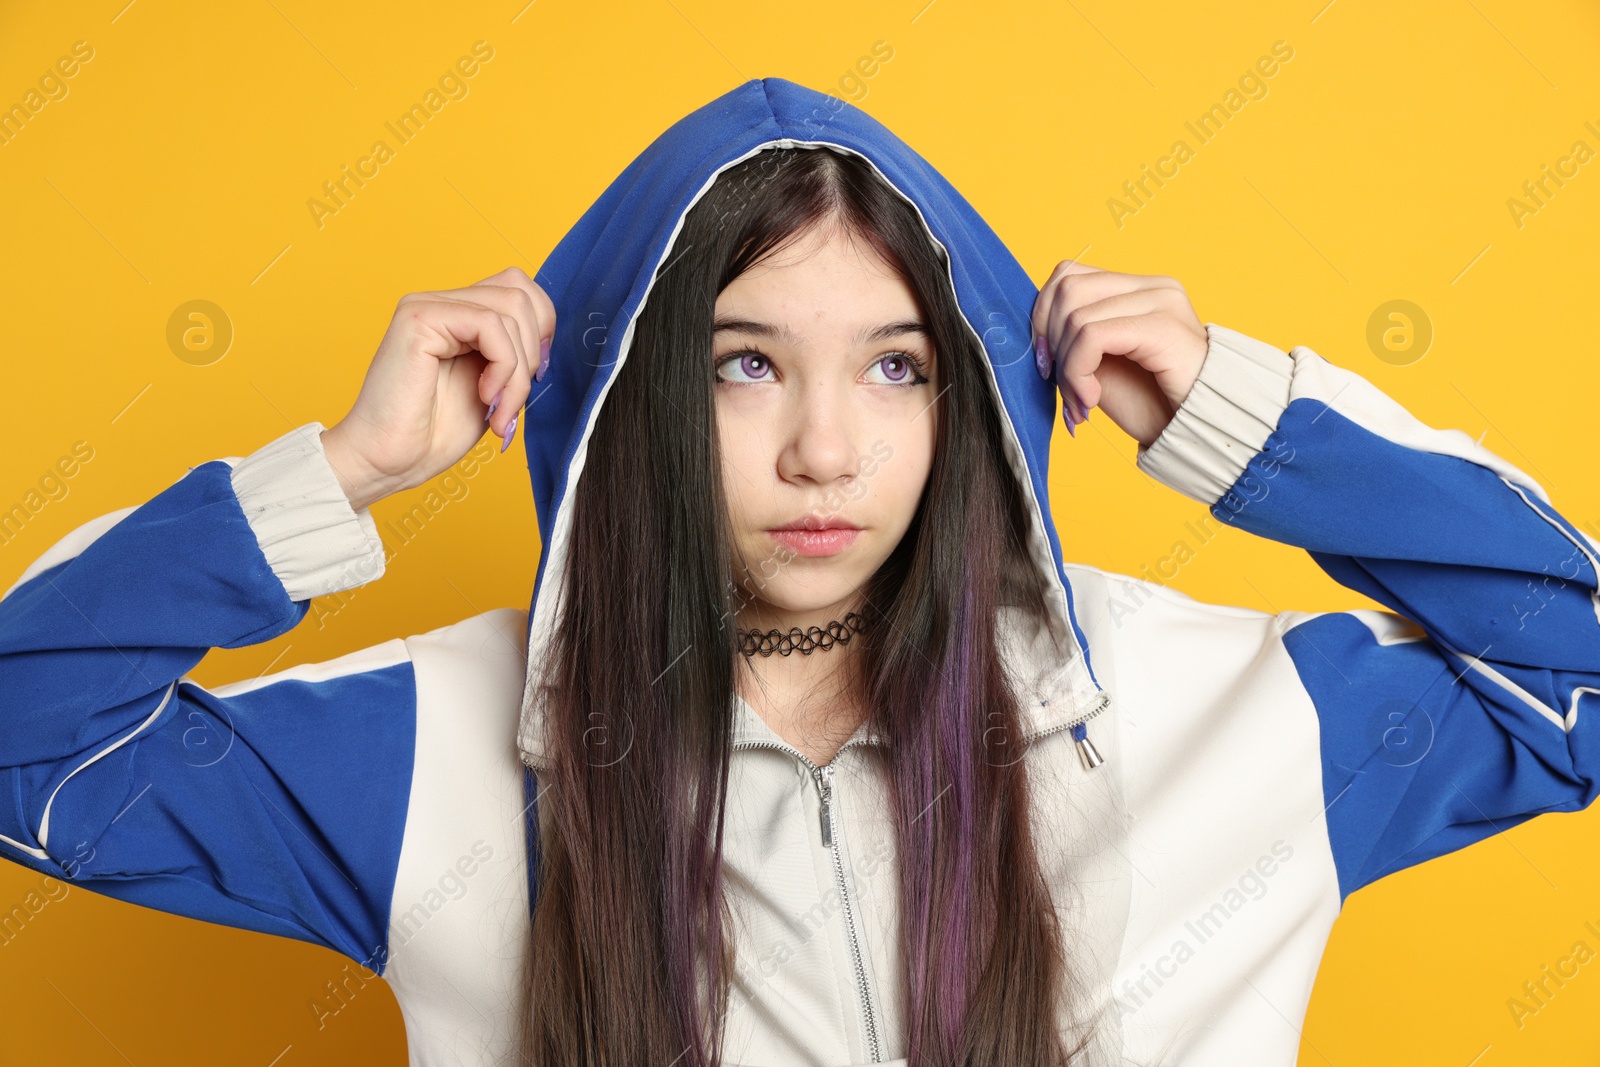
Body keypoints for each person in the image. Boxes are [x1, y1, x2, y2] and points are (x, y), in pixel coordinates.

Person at [2, 76, 1597, 1067]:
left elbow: (1575, 685)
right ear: (626, 397)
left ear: (972, 394)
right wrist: (343, 472)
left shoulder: (1221, 715)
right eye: (741, 364)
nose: (825, 450)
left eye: (899, 369)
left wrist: (1253, 425)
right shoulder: (435, 753)